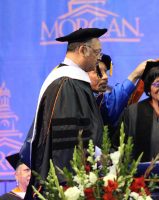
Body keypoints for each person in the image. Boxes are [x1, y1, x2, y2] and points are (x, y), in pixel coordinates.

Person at [23, 28, 107, 199]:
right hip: (66, 182)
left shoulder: (73, 81)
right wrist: (67, 182)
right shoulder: (67, 83)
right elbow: (67, 140)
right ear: (83, 50)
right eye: (97, 52)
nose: (99, 58)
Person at [88, 54, 146, 126]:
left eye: (105, 72)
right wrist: (134, 75)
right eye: (98, 72)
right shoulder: (78, 96)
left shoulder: (99, 97)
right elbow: (109, 108)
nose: (106, 77)